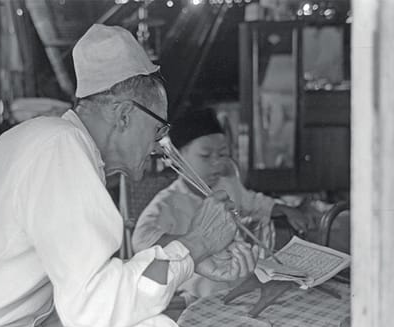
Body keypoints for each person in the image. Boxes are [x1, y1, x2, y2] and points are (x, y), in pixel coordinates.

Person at [0, 25, 258, 327]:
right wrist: (195, 245)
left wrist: (187, 258)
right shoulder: (60, 147)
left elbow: (88, 290)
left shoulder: (55, 144)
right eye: (159, 129)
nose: (159, 146)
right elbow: (95, 309)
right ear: (125, 114)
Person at [132, 107, 315, 301]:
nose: (217, 163)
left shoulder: (226, 184)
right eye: (205, 155)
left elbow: (253, 201)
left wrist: (284, 209)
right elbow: (141, 241)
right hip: (200, 289)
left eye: (222, 155)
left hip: (240, 276)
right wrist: (193, 241)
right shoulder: (166, 204)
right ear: (179, 155)